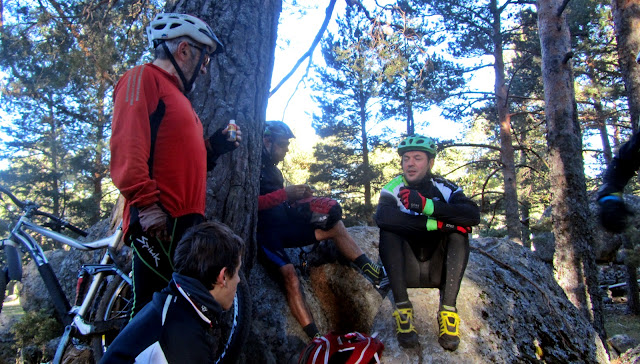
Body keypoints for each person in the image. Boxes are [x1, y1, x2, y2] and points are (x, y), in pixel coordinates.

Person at [110, 13, 241, 317]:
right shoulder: (142, 78)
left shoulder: (180, 99)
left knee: (177, 310)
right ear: (183, 50)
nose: (206, 67)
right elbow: (126, 146)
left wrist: (215, 147)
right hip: (160, 220)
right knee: (153, 312)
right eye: (204, 56)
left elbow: (182, 158)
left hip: (185, 221)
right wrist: (146, 205)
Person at [257, 120, 388, 340]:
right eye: (283, 144)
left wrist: (303, 202)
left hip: (284, 228)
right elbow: (251, 204)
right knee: (290, 275)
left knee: (335, 225)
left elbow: (280, 204)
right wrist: (285, 195)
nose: (287, 149)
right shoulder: (251, 167)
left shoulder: (274, 172)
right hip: (265, 235)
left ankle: (373, 273)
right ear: (267, 141)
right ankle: (316, 338)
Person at [375, 135, 480, 351]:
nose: (410, 163)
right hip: (406, 270)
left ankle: (448, 310)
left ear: (430, 163)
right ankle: (403, 309)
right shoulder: (392, 188)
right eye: (406, 158)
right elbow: (384, 218)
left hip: (438, 271)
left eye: (417, 158)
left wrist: (429, 206)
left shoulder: (444, 187)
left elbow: (472, 216)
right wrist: (439, 225)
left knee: (459, 235)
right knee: (389, 230)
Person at [100, 221, 245, 363]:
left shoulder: (170, 306)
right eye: (237, 273)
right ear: (223, 276)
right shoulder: (183, 338)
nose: (238, 280)